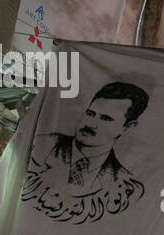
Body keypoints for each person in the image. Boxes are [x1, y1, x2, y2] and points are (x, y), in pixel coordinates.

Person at [22, 81, 148, 222]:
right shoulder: (40, 146)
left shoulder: (124, 186)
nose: (90, 124)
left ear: (127, 127)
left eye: (106, 119)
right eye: (90, 113)